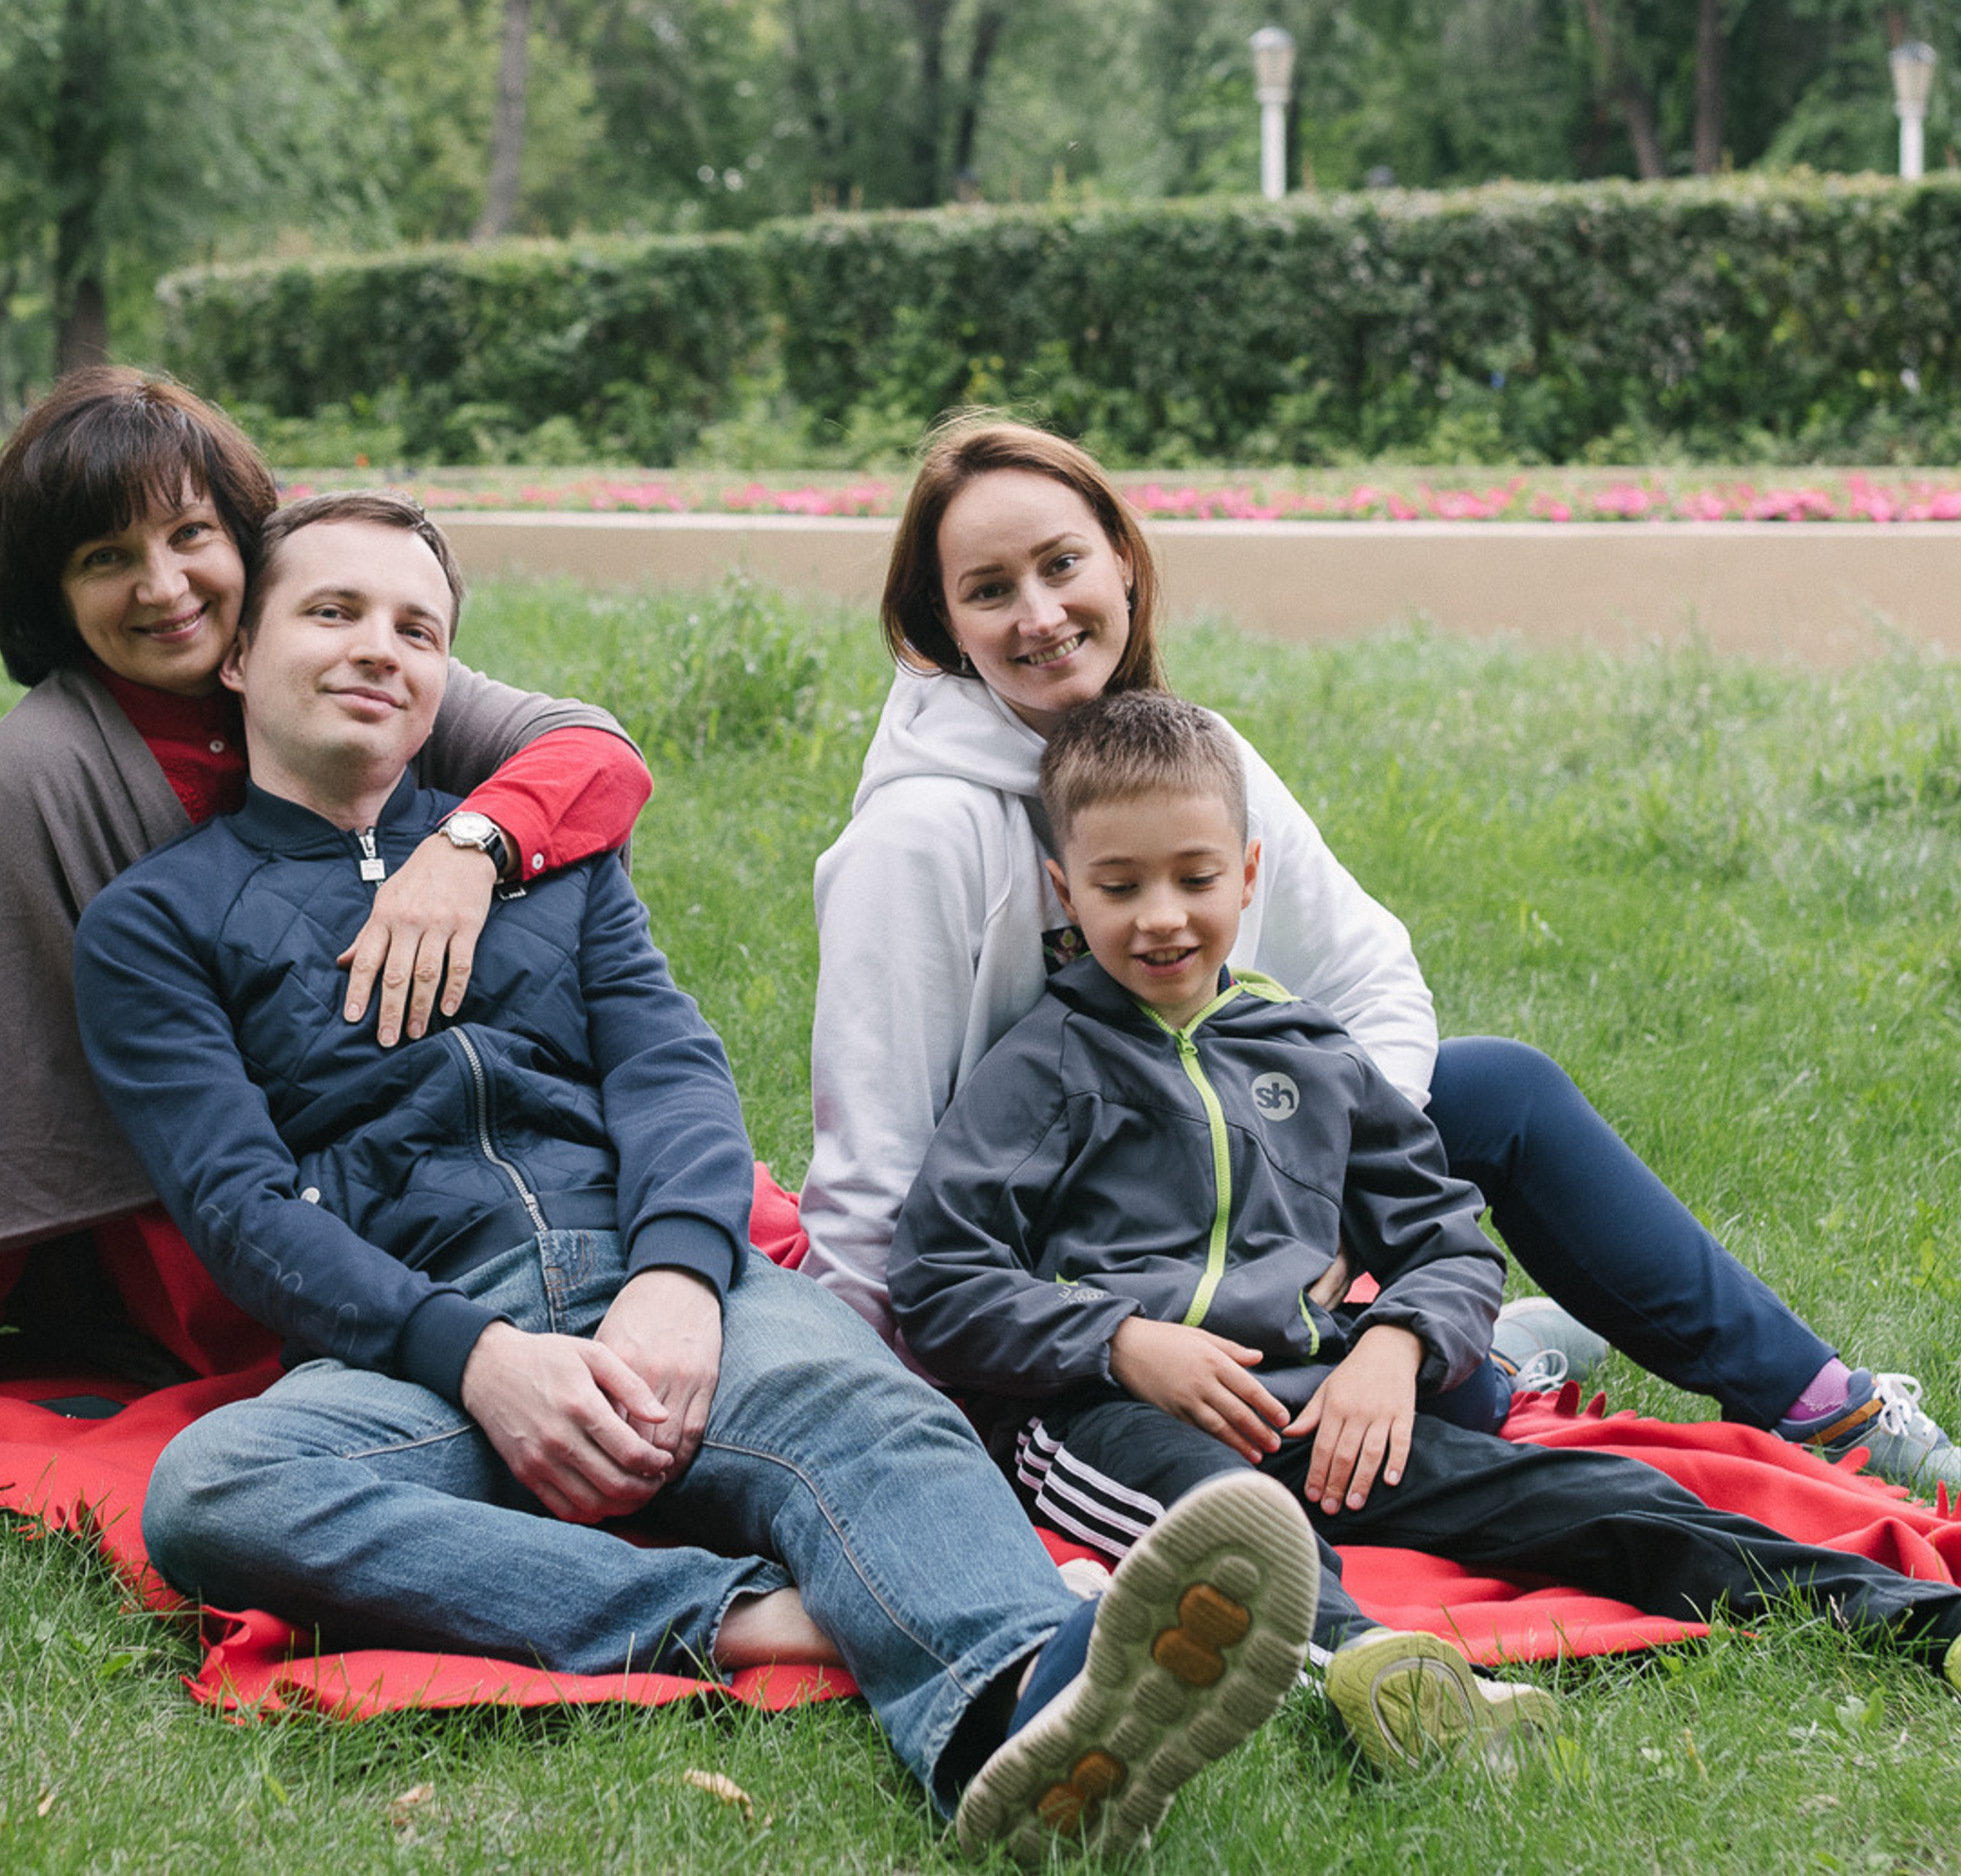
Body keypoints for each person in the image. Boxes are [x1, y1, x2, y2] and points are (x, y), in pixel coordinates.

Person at [69, 491, 1324, 1864]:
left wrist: (676, 1275)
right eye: (334, 613)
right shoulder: (155, 924)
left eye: (418, 627)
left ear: (443, 681)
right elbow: (242, 1209)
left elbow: (674, 1076)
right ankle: (738, 1615)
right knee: (216, 1492)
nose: (381, 648)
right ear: (240, 657)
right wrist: (478, 1356)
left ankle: (1018, 1718)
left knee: (876, 1411)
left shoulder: (558, 869)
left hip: (667, 1289)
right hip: (427, 1339)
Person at [803, 416, 1961, 1499]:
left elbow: (1371, 976)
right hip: (1075, 1262)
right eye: (989, 590)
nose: (1039, 613)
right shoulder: (915, 839)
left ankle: (1832, 1413)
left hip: (1227, 1191)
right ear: (941, 624)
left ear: (1123, 563)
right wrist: (877, 1441)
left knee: (1497, 1085)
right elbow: (873, 1176)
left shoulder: (1194, 763)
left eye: (1062, 564)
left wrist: (1320, 1185)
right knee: (1410, 1416)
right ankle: (1500, 1367)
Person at [888, 691, 1961, 1768]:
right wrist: (1119, 1339)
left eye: (1195, 878)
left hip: (1331, 1413)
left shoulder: (1308, 1053)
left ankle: (1908, 1617)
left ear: (1249, 876)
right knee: (1232, 1530)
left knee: (1604, 1496)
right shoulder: (1035, 1073)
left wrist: (1395, 1345)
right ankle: (1387, 1675)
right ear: (1067, 893)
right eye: (1120, 888)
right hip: (1109, 1423)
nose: (1160, 915)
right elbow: (937, 1274)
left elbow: (1444, 1234)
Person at [0, 367, 652, 1403]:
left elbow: (598, 759)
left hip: (439, 1130)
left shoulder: (347, 663)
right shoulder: (31, 777)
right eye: (104, 558)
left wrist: (470, 846)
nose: (163, 587)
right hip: (232, 1200)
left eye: (188, 535)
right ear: (51, 593)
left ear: (247, 535)